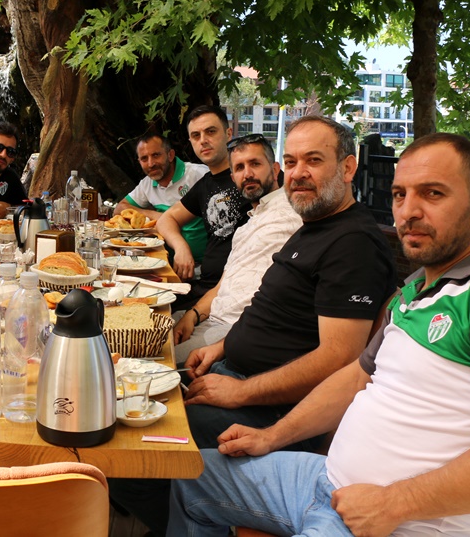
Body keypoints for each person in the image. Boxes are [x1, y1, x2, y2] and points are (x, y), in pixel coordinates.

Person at [168, 133, 470, 537]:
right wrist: (270, 437)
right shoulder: (417, 288)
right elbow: (357, 376)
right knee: (186, 474)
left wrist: (395, 503)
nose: (409, 212)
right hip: (326, 482)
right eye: (399, 195)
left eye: (433, 194)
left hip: (395, 522)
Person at [110, 116, 396, 536]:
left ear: (348, 168)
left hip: (272, 410)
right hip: (230, 374)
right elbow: (268, 307)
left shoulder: (353, 243)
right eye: (292, 161)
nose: (298, 173)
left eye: (314, 160)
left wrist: (239, 391)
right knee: (119, 388)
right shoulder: (313, 227)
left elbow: (340, 359)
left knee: (126, 449)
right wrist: (221, 348)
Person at [171, 134, 301, 365]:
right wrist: (193, 314)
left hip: (236, 330)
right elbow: (222, 285)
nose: (247, 174)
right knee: (141, 330)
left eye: (255, 164)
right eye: (239, 168)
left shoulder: (293, 213)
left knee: (153, 360)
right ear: (233, 178)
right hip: (210, 318)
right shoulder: (247, 226)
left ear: (275, 170)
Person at [157, 106, 252, 309]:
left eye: (210, 131)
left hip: (233, 293)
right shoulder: (204, 185)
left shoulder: (251, 178)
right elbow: (166, 219)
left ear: (228, 133)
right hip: (204, 286)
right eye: (196, 135)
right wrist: (181, 247)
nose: (203, 140)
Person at [115, 130, 209, 265]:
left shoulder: (198, 174)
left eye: (156, 155)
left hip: (205, 264)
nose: (151, 164)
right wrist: (157, 216)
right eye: (144, 159)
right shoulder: (147, 183)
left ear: (170, 155)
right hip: (168, 260)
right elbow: (119, 208)